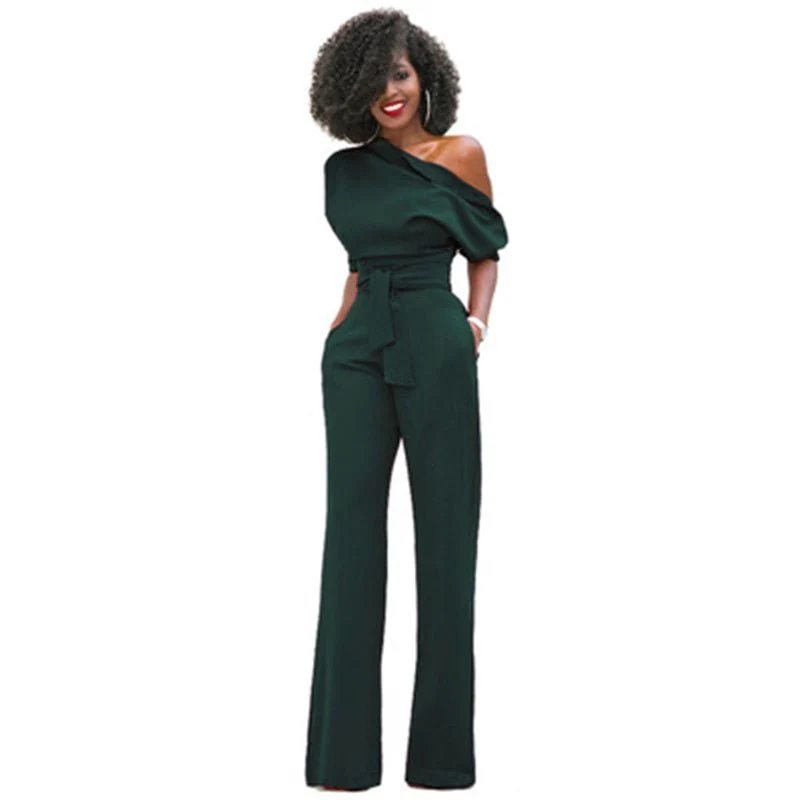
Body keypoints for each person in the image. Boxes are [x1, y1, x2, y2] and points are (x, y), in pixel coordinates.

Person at [305, 9, 509, 791]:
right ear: (349, 89)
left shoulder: (462, 154)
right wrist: (339, 326)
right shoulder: (343, 171)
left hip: (435, 337)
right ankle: (343, 763)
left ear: (425, 76)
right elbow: (357, 264)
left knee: (447, 539)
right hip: (356, 352)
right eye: (374, 78)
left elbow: (485, 252)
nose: (390, 90)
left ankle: (440, 763)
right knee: (351, 540)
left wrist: (476, 323)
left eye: (400, 73)